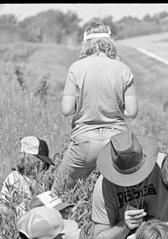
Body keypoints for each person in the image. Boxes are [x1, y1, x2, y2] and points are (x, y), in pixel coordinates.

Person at [51, 21, 138, 193]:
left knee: (60, 192)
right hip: (116, 141)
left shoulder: (76, 68)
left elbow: (67, 110)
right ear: (109, 42)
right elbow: (132, 112)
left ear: (86, 43)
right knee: (121, 195)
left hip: (84, 140)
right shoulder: (123, 69)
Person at [0, 136, 55, 219]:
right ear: (27, 158)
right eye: (41, 161)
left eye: (45, 164)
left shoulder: (44, 181)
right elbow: (2, 208)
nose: (43, 166)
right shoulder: (15, 178)